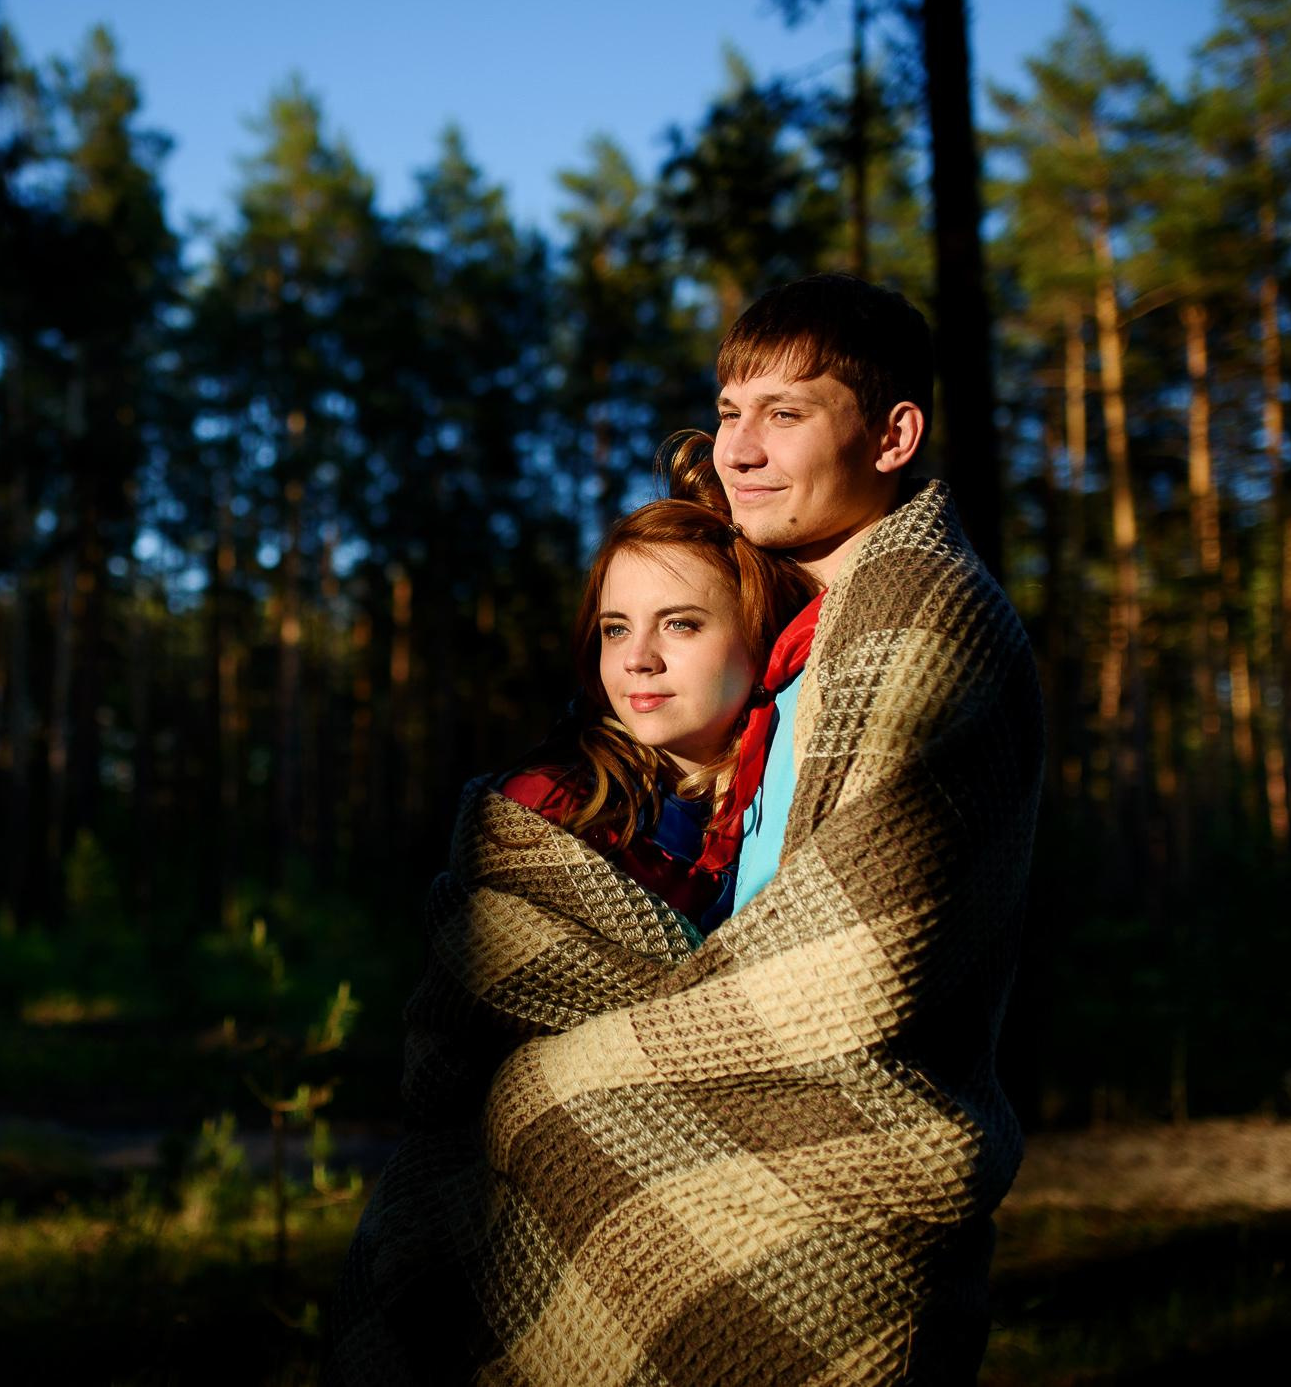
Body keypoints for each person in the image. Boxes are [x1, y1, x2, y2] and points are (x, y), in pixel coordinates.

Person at [326, 274, 1043, 1386]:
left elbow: (856, 958)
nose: (736, 449)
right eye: (727, 411)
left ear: (894, 436)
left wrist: (562, 1081)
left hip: (836, 1166)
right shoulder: (798, 640)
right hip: (728, 1126)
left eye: (784, 413)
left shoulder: (920, 611)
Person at [494, 437, 817, 935]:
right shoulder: (551, 808)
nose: (637, 660)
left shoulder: (802, 778)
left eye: (679, 624)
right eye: (616, 629)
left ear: (760, 636)